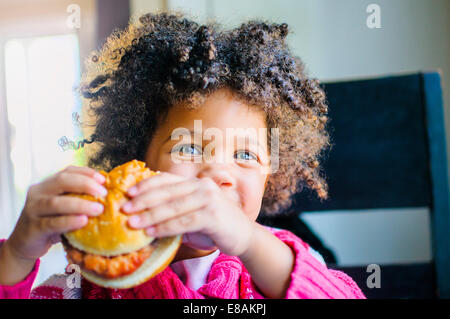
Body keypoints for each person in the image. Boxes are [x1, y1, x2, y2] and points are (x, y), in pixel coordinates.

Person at [0, 12, 365, 299]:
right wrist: (15, 258)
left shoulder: (273, 269)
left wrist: (250, 241)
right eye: (188, 148)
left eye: (245, 155)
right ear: (138, 160)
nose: (216, 173)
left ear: (269, 173)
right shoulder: (87, 282)